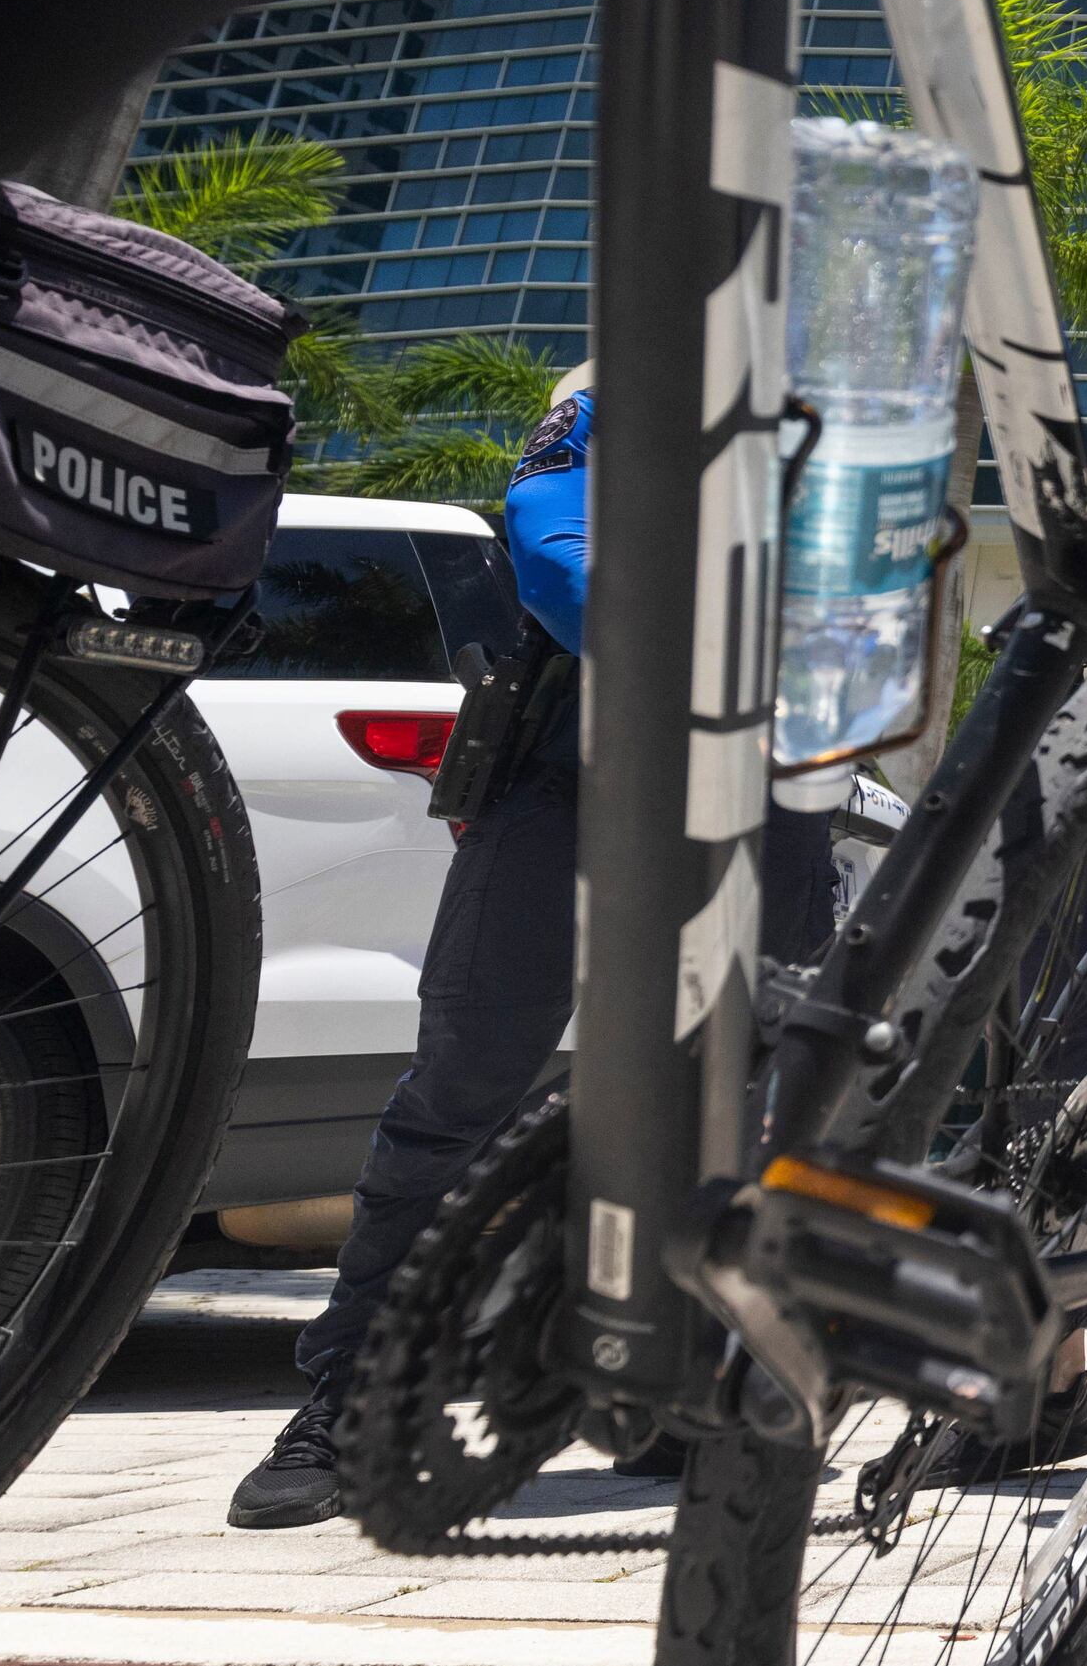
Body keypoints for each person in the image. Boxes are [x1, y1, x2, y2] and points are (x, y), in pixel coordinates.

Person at [227, 367, 830, 1527]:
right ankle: (356, 1398)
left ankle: (697, 1382)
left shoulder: (830, 394)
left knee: (748, 1102)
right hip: (576, 770)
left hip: (766, 788)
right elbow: (555, 558)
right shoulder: (617, 375)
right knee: (458, 1092)